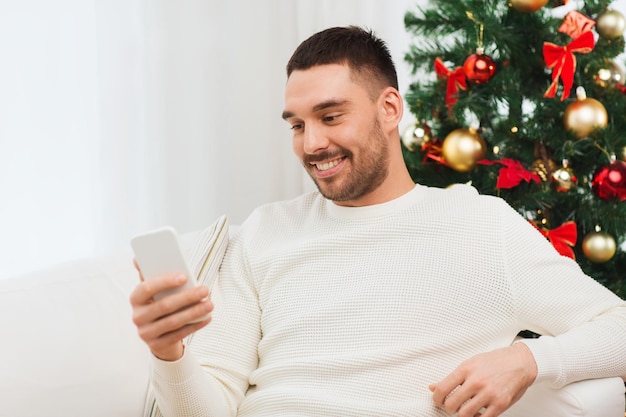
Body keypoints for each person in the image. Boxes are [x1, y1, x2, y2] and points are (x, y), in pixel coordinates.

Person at [130, 26, 626, 417]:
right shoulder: (265, 231)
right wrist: (169, 352)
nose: (310, 145)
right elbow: (210, 407)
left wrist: (529, 360)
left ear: (389, 108)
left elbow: (618, 326)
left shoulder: (478, 227)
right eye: (297, 125)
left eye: (330, 117)